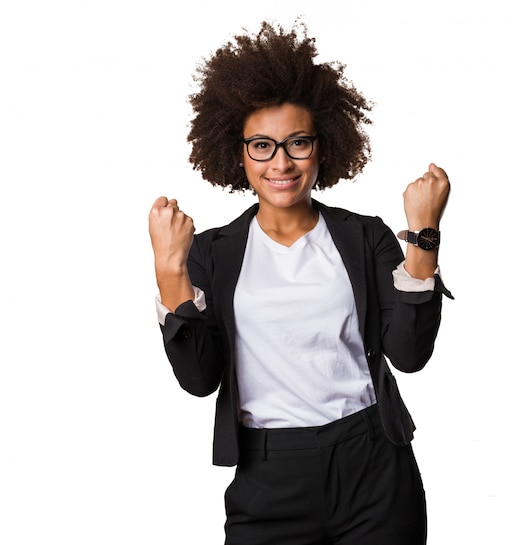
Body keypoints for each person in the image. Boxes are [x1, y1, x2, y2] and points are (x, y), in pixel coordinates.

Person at [149, 20, 452, 545]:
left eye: (298, 143)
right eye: (262, 146)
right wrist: (169, 269)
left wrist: (424, 236)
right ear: (238, 152)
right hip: (269, 476)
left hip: (373, 466)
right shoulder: (212, 253)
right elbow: (199, 379)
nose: (281, 163)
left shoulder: (363, 237)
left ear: (324, 145)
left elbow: (409, 354)